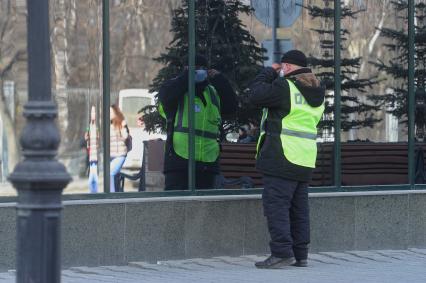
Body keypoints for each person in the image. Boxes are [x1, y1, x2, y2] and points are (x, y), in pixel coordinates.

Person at [247, 50, 325, 268]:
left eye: (282, 67)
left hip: (282, 155)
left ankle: (281, 252)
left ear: (288, 68)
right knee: (299, 209)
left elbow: (255, 95)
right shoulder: (317, 92)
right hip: (305, 157)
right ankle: (301, 255)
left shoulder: (285, 87)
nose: (281, 71)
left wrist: (267, 73)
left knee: (277, 206)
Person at [158, 54, 237, 190]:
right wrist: (186, 78)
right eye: (194, 68)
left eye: (202, 68)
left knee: (204, 208)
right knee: (176, 205)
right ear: (186, 69)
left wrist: (220, 80)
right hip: (179, 160)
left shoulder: (212, 92)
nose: (198, 71)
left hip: (208, 161)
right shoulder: (176, 88)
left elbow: (232, 106)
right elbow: (166, 98)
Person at [110, 104, 129, 193]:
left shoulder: (121, 123)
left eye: (111, 112)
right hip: (111, 155)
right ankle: (117, 193)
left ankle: (111, 196)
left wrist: (122, 128)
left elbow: (125, 136)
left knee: (110, 173)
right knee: (114, 176)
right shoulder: (108, 124)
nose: (109, 114)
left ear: (115, 112)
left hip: (120, 154)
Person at [85, 106, 99, 193]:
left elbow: (98, 138)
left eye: (94, 113)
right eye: (92, 113)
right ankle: (93, 190)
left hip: (94, 153)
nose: (93, 115)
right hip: (91, 153)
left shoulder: (96, 128)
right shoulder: (89, 127)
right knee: (92, 173)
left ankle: (93, 190)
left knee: (93, 173)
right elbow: (86, 137)